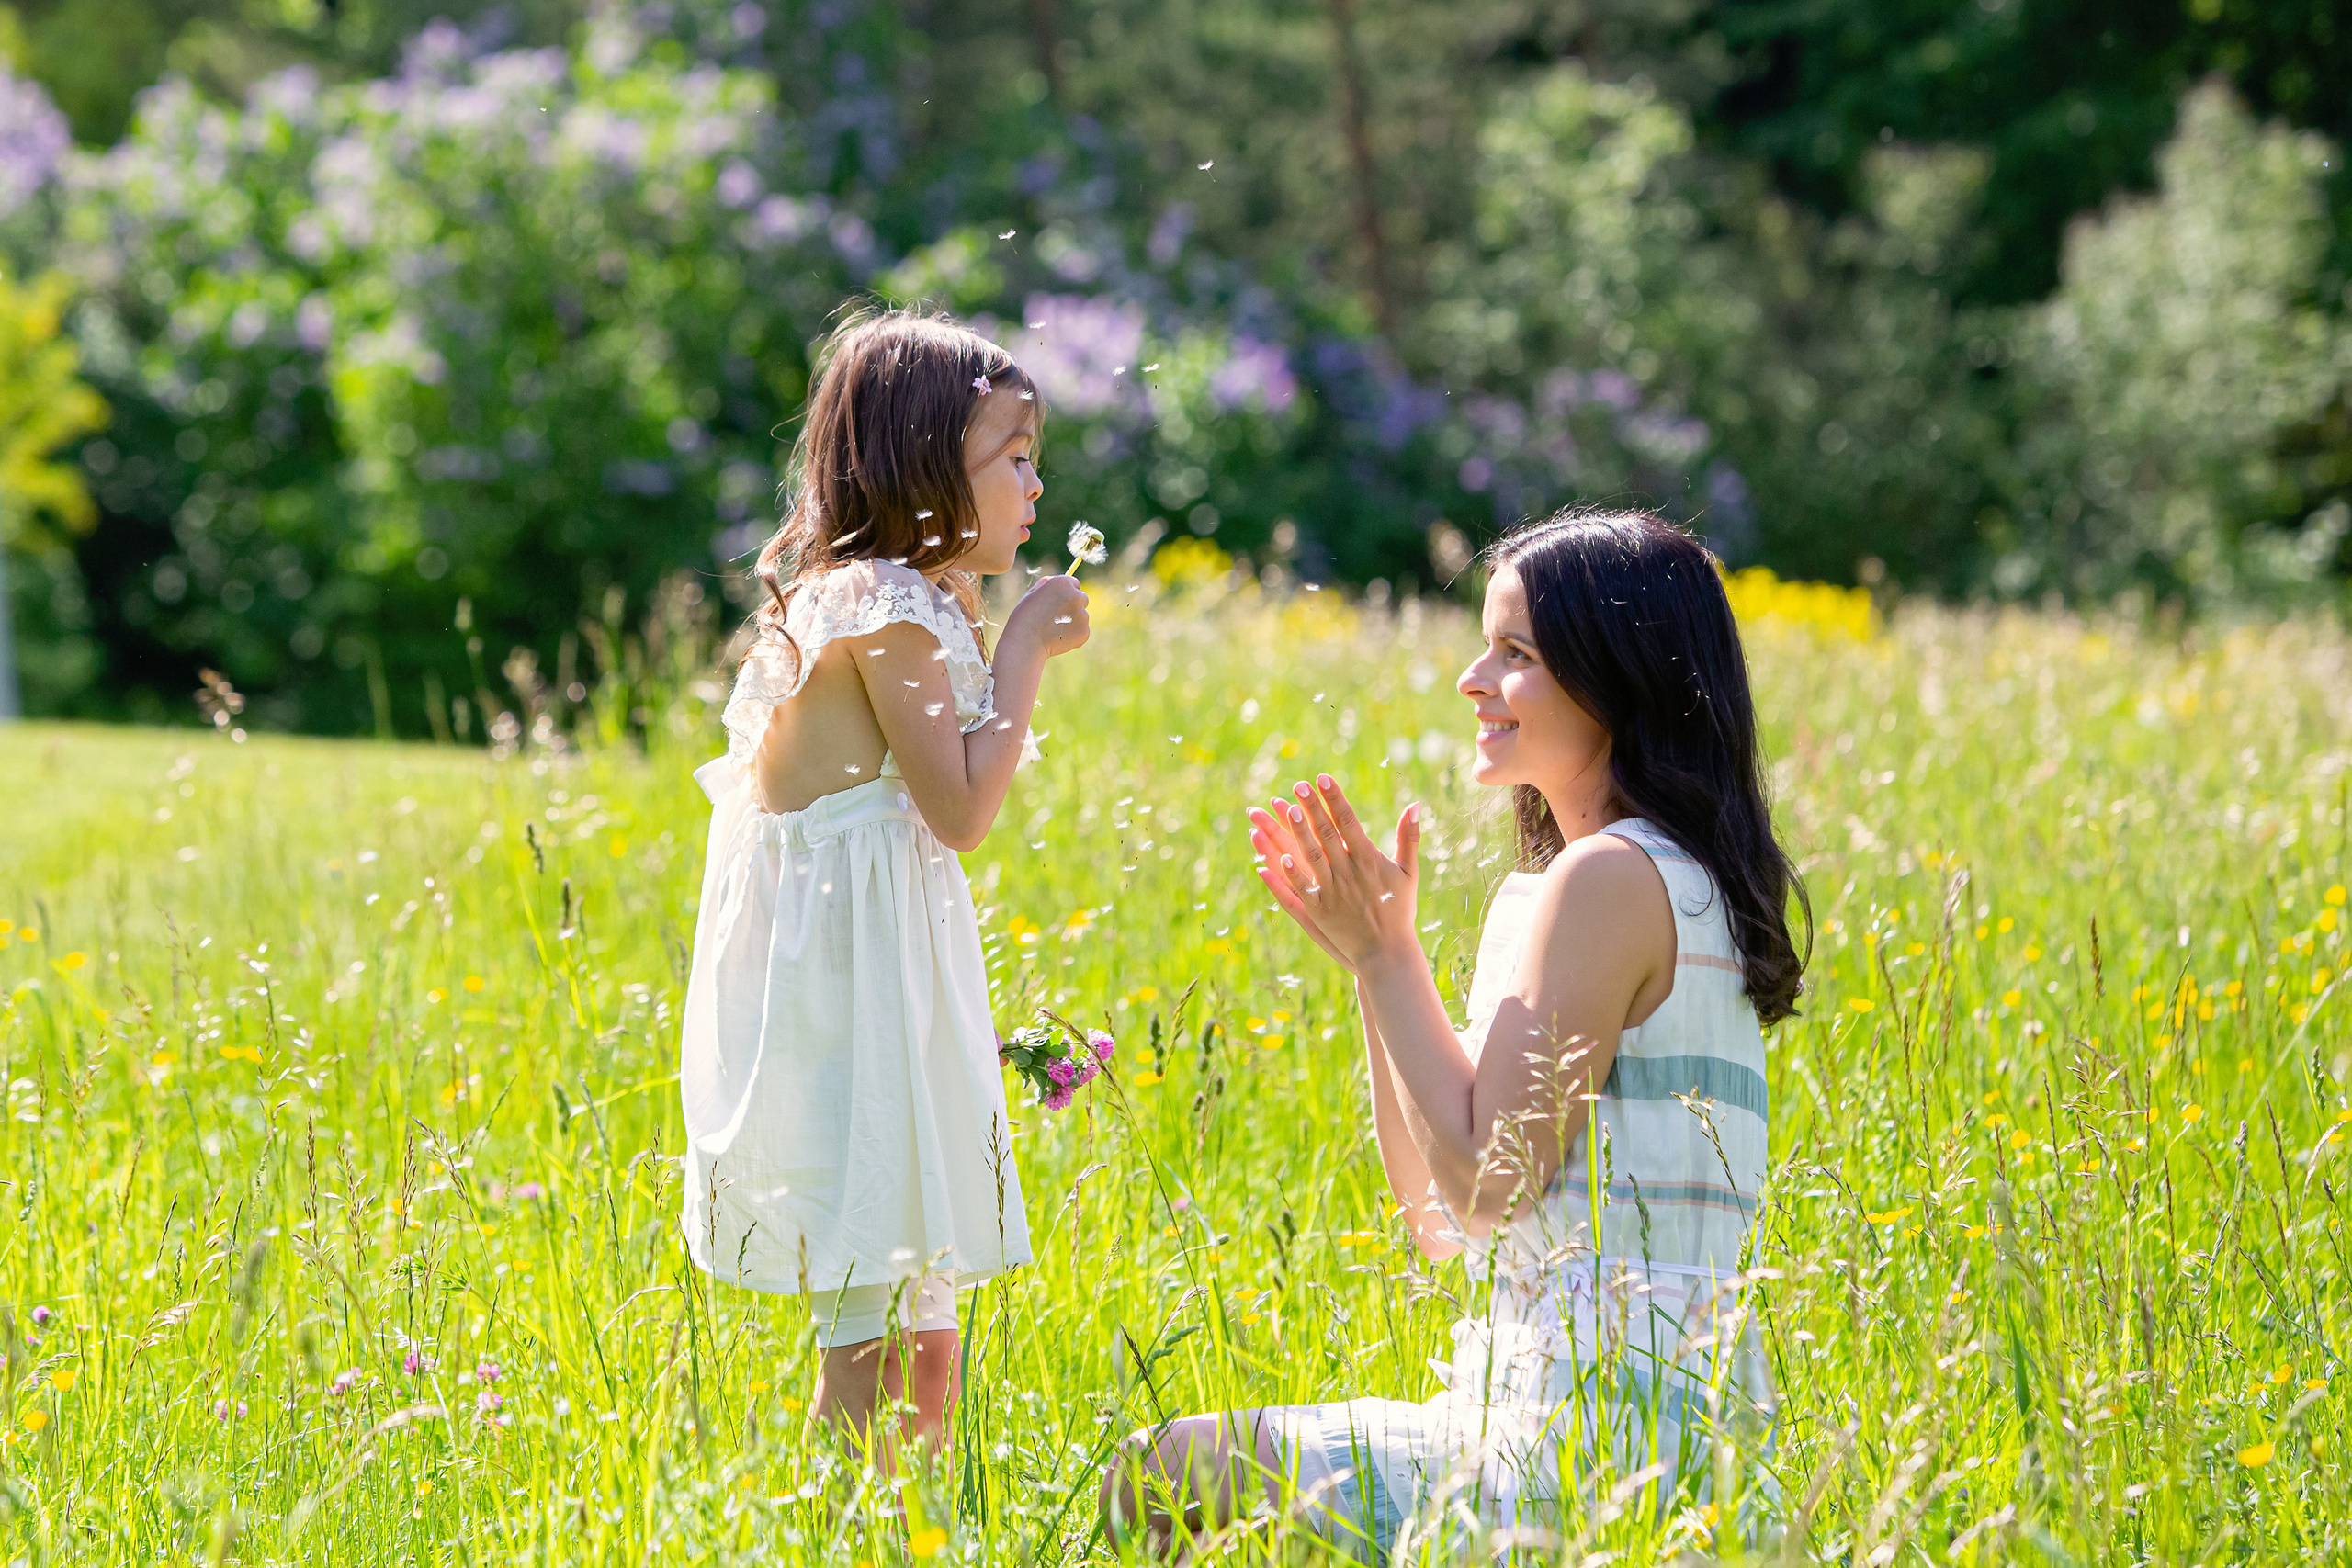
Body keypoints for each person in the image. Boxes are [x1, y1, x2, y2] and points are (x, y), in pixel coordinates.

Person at [1102, 510, 1807, 1558]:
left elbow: (1485, 1184)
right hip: (1568, 1429)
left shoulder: (1611, 879)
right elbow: (1442, 1218)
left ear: (1616, 677)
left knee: (1169, 1474)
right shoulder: (1586, 888)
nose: (1474, 680)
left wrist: (1390, 960)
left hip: (1605, 1456)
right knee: (1177, 1469)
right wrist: (1373, 961)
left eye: (1514, 653)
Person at [676, 307, 1089, 1452]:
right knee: (878, 1329)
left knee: (924, 1336)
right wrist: (1022, 655)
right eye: (1013, 458)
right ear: (923, 463)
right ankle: (844, 1520)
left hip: (881, 976)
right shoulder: (876, 607)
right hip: (845, 1004)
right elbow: (960, 811)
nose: (1034, 487)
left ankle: (889, 1518)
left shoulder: (910, 603)